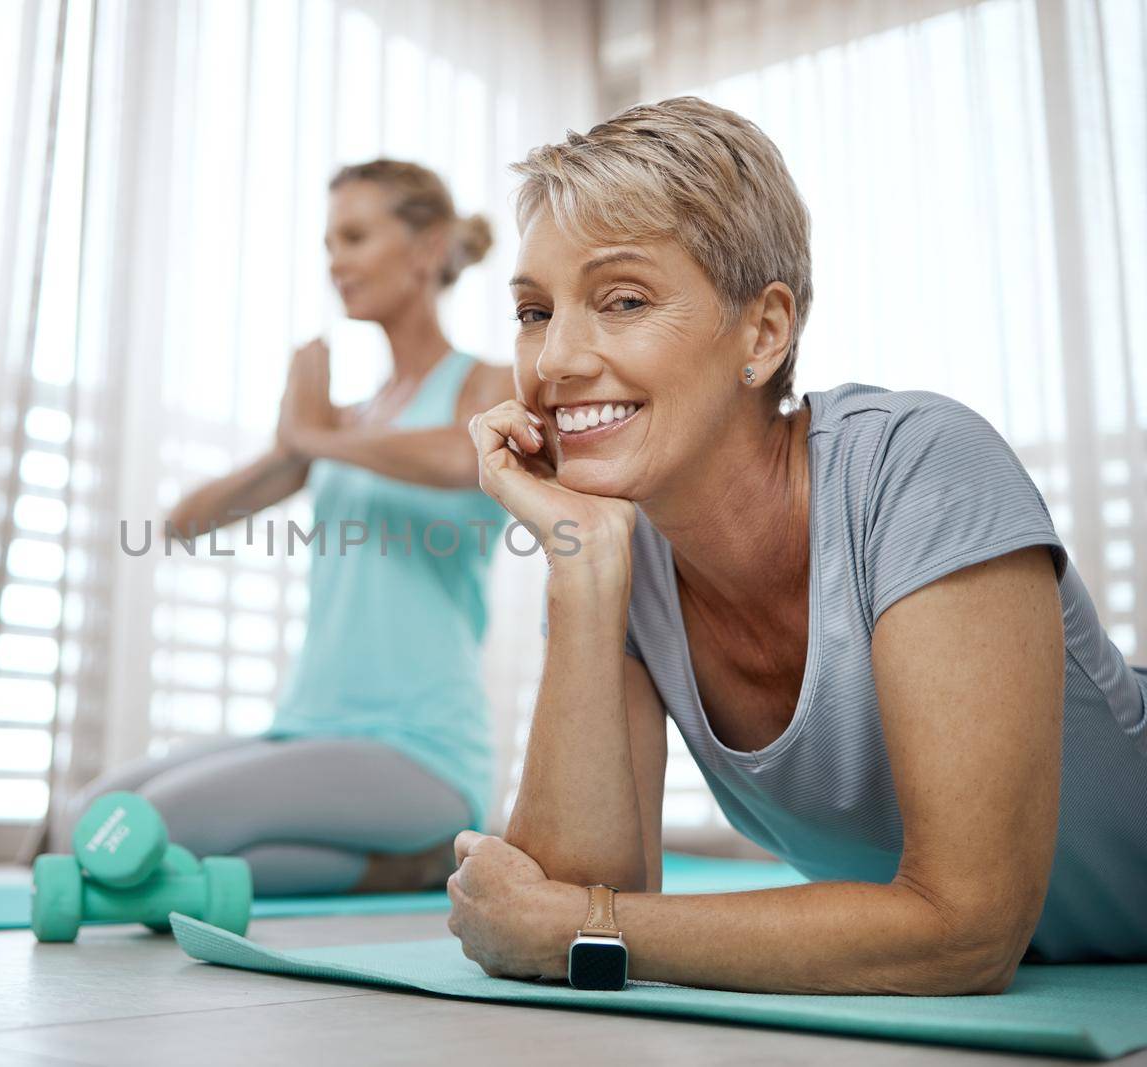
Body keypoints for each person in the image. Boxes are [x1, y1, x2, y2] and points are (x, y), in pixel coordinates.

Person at [447, 97, 1147, 993]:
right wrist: (579, 577)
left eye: (622, 300)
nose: (553, 363)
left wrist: (588, 930)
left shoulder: (921, 465)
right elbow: (564, 906)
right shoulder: (621, 548)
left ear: (764, 332)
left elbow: (965, 928)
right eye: (534, 312)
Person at [78, 160, 513, 896]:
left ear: (427, 247)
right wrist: (294, 442)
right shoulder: (344, 423)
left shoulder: (488, 385)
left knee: (157, 822)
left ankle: (419, 845)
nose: (335, 260)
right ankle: (400, 867)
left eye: (354, 236)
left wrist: (314, 437)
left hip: (423, 748)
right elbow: (185, 523)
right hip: (311, 727)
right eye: (328, 242)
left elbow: (464, 452)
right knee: (95, 815)